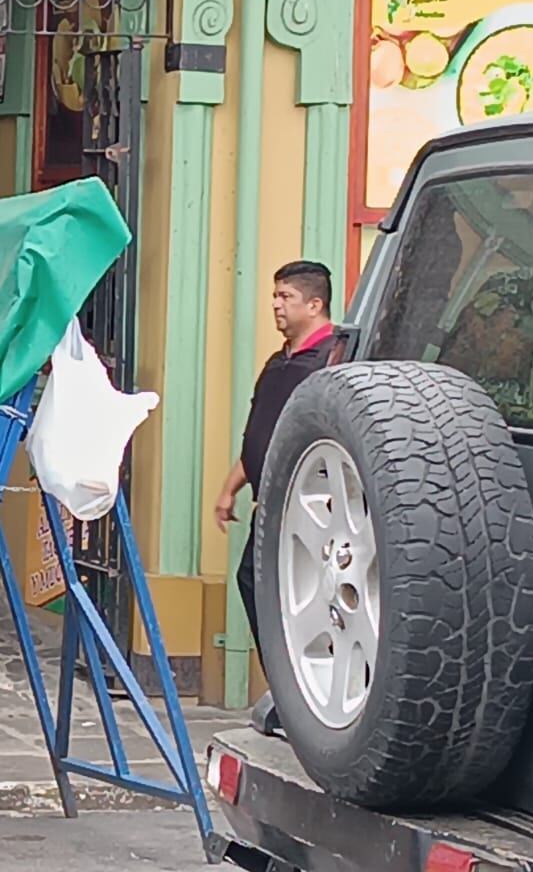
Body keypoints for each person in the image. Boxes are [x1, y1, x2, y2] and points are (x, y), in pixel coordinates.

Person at [214, 259, 339, 730]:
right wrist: (230, 489)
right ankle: (288, 692)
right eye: (275, 295)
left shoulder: (331, 361)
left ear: (314, 303)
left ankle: (307, 695)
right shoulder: (280, 360)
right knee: (255, 585)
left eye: (285, 297)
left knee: (306, 596)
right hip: (270, 505)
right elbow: (260, 433)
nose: (275, 305)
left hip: (312, 510)